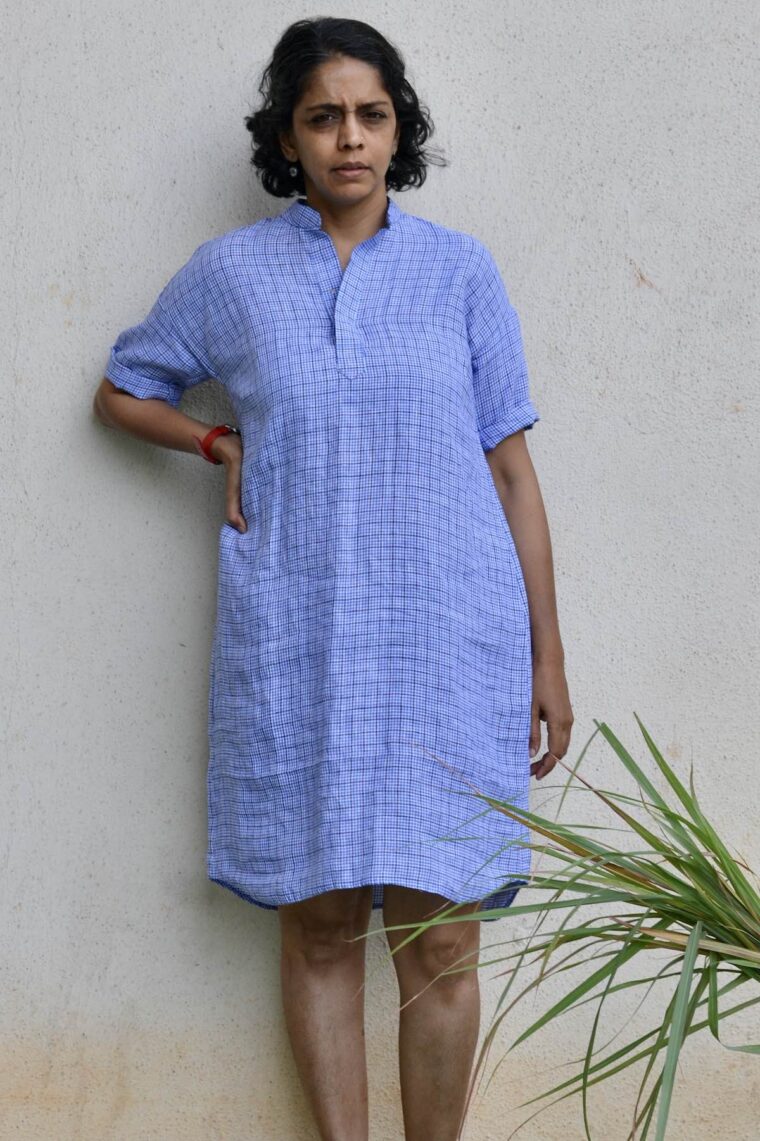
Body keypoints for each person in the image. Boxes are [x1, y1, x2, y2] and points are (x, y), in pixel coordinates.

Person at [92, 16, 573, 1141]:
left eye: (370, 115)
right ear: (288, 136)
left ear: (397, 129)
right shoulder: (233, 275)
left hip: (449, 645)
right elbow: (123, 387)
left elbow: (512, 467)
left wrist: (548, 655)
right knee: (315, 927)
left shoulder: (458, 271)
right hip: (299, 640)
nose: (348, 139)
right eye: (323, 117)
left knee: (441, 934)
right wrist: (215, 445)